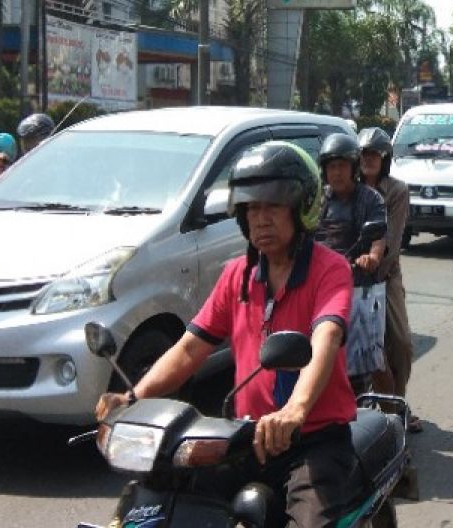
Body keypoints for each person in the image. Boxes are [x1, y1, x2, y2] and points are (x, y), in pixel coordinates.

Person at [94, 141, 359, 527]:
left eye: (272, 206)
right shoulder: (238, 275)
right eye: (251, 208)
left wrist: (294, 411)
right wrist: (133, 396)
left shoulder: (330, 269)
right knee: (170, 500)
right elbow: (189, 349)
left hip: (314, 442)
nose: (260, 219)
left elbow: (326, 340)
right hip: (246, 436)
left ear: (303, 207)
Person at [356, 127, 422, 433]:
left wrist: (373, 271)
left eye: (374, 154)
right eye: (363, 154)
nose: (368, 159)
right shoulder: (346, 191)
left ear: (385, 159)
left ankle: (398, 407)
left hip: (385, 275)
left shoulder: (397, 191)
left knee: (401, 345)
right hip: (349, 277)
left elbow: (392, 245)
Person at [315, 133, 388, 392]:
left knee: (364, 365)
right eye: (332, 167)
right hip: (318, 285)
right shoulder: (317, 199)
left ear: (353, 168)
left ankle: (381, 404)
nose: (337, 173)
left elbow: (378, 236)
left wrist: (372, 257)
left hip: (356, 285)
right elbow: (303, 233)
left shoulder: (371, 199)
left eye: (342, 166)